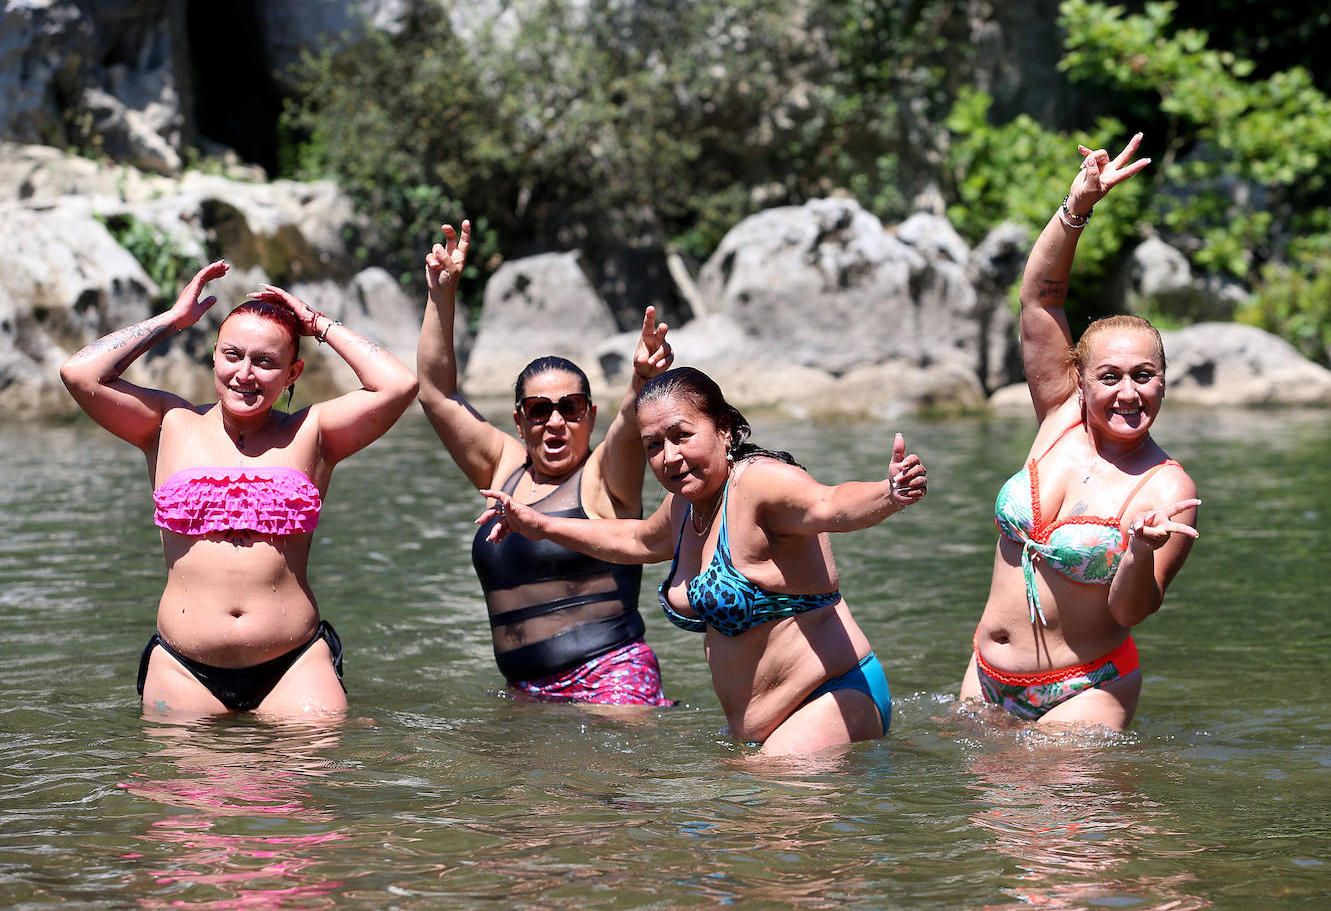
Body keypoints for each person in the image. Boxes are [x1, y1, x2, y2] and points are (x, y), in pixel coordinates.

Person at [477, 366, 928, 756]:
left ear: (724, 429)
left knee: (757, 823)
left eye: (681, 436)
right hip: (756, 730)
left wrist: (887, 494)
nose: (669, 457)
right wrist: (539, 524)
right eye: (653, 446)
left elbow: (828, 503)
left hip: (830, 697)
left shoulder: (759, 484)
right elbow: (635, 538)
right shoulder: (686, 507)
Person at [60, 261, 419, 715]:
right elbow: (80, 374)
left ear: (293, 373)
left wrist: (319, 324)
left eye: (266, 361)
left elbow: (400, 384)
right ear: (213, 354)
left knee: (314, 785)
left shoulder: (314, 432)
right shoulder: (168, 423)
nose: (245, 373)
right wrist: (172, 319)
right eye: (232, 355)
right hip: (183, 667)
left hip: (294, 665)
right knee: (185, 788)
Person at [959, 133, 1200, 730]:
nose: (1127, 393)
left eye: (1144, 376)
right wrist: (1077, 209)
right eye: (1110, 376)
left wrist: (1140, 552)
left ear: (1164, 383)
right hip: (986, 676)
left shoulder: (1167, 491)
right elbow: (1040, 299)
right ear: (1081, 382)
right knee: (993, 823)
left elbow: (1133, 609)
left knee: (1068, 822)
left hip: (1086, 687)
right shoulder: (1060, 415)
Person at [417, 220, 675, 705]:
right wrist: (441, 293)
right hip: (524, 692)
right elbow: (436, 394)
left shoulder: (604, 477)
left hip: (610, 677)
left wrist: (640, 380)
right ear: (520, 421)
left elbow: (627, 421)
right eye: (539, 410)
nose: (555, 422)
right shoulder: (503, 467)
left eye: (570, 408)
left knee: (594, 784)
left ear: (589, 415)